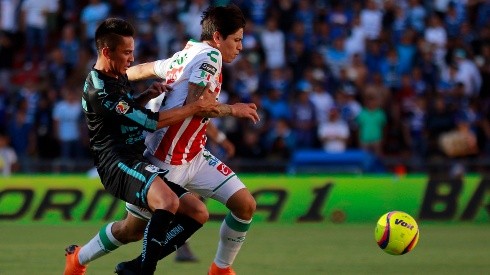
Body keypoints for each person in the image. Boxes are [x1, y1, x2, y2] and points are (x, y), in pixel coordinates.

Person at [66, 5, 260, 275]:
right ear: (217, 38)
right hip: (165, 158)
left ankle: (220, 269)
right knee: (130, 230)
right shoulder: (211, 57)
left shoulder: (185, 54)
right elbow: (197, 105)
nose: (240, 47)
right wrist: (232, 109)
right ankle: (79, 259)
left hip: (194, 154)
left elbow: (142, 69)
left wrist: (127, 80)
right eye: (237, 40)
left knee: (245, 204)